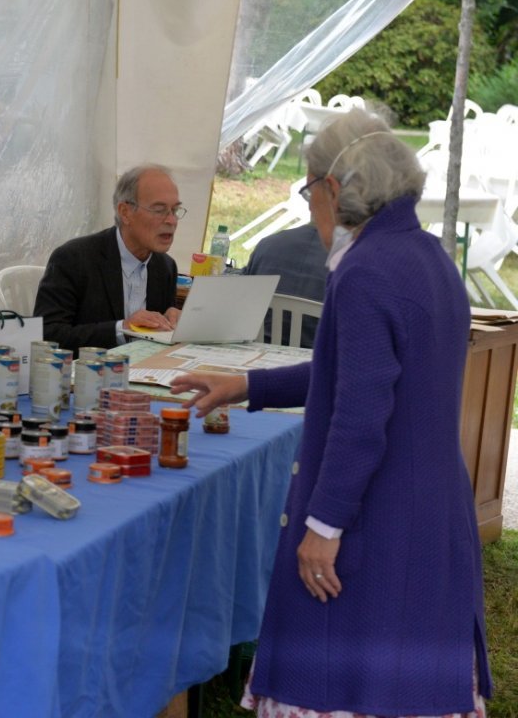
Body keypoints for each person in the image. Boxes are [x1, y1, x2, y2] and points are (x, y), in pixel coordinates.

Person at [171, 109, 491, 717]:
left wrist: (323, 526)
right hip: (432, 508)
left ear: (335, 189)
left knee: (351, 679)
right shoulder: (430, 258)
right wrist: (244, 384)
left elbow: (361, 414)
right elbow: (359, 371)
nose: (309, 207)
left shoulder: (365, 270)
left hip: (380, 514)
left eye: (308, 190)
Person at [33, 164, 182, 353]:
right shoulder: (74, 259)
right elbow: (48, 335)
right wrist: (122, 329)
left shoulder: (165, 267)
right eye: (159, 210)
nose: (171, 221)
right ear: (125, 212)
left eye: (175, 210)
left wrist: (171, 322)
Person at [245, 223, 327, 348]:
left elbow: (243, 297)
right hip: (316, 359)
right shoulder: (351, 261)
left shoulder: (268, 244)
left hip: (259, 350)